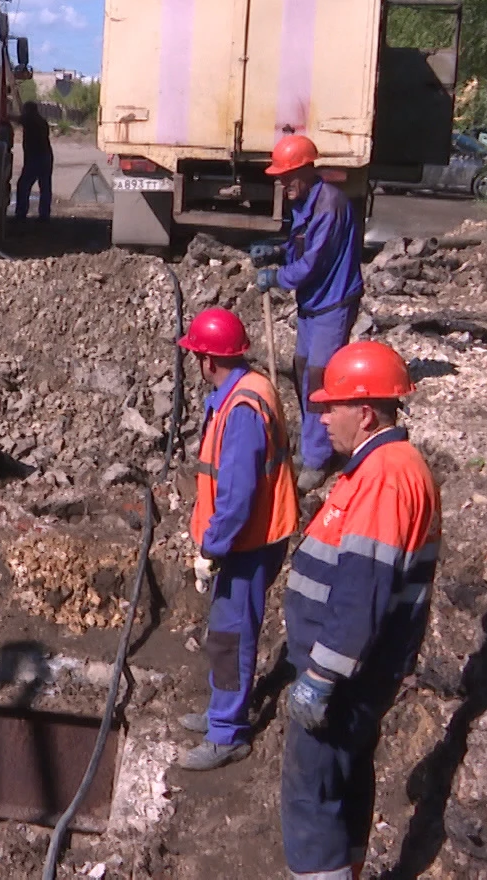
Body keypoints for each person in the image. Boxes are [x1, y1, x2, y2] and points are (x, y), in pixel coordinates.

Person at [278, 340, 439, 880]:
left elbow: (361, 588)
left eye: (331, 406)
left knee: (314, 792)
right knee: (342, 782)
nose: (321, 417)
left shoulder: (386, 477)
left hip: (344, 675)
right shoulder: (380, 467)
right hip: (351, 669)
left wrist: (323, 675)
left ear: (365, 412)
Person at [173, 307, 300, 771]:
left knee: (230, 636)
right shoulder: (250, 388)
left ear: (208, 360)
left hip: (248, 540)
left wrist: (213, 547)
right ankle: (219, 712)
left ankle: (227, 733)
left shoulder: (242, 408)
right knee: (228, 632)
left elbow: (238, 492)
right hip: (253, 535)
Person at [251, 133, 364, 491]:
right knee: (302, 370)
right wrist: (277, 251)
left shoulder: (329, 204)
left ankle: (317, 459)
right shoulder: (306, 201)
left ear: (306, 170)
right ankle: (310, 445)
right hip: (313, 303)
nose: (283, 185)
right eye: (280, 179)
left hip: (333, 301)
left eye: (287, 178)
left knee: (319, 378)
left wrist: (277, 276)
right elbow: (301, 244)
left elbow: (312, 264)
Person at [12, 100, 54, 221]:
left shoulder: (31, 120)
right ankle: (44, 215)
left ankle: (21, 213)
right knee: (45, 187)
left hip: (35, 158)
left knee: (23, 185)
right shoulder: (41, 121)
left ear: (28, 111)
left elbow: (18, 119)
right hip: (46, 157)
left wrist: (2, 114)